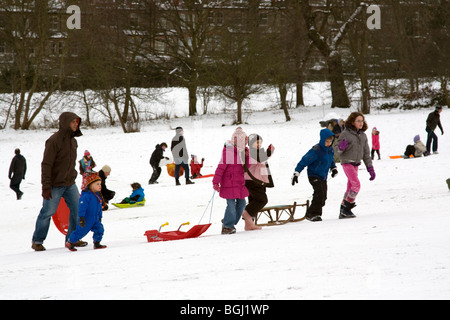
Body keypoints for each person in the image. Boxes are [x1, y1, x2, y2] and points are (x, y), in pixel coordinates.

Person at [31, 112, 86, 251]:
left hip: (69, 183)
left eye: (77, 122)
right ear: (65, 122)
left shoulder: (73, 141)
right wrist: (46, 186)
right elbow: (46, 164)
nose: (75, 124)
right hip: (55, 185)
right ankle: (37, 240)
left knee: (77, 210)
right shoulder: (54, 141)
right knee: (48, 212)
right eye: (73, 122)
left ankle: (71, 239)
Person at [334, 112, 375, 219]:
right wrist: (341, 148)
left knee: (350, 187)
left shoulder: (363, 136)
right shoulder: (345, 134)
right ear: (352, 122)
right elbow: (336, 152)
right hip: (347, 162)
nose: (361, 123)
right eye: (358, 121)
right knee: (356, 184)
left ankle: (343, 210)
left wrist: (370, 168)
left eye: (362, 121)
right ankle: (347, 208)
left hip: (356, 164)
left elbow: (366, 153)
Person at [292, 129, 338, 221]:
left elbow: (331, 160)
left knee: (323, 197)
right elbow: (304, 161)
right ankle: (313, 214)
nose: (329, 143)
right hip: (313, 175)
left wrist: (333, 168)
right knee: (319, 193)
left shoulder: (330, 150)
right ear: (322, 140)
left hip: (323, 176)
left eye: (330, 141)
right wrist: (296, 173)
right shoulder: (316, 151)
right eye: (327, 141)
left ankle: (311, 212)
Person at [212, 127, 250, 234]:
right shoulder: (228, 152)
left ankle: (228, 220)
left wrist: (247, 156)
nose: (245, 144)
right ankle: (227, 226)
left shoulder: (243, 152)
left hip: (239, 184)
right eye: (243, 142)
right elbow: (220, 168)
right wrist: (215, 182)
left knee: (242, 204)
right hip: (229, 183)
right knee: (231, 206)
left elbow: (247, 167)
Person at [66, 173, 107, 251]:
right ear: (91, 185)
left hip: (95, 218)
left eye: (100, 184)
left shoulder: (98, 196)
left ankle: (97, 242)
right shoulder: (86, 196)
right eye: (97, 184)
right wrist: (81, 217)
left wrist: (100, 217)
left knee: (99, 229)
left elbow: (99, 208)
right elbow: (82, 208)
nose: (100, 186)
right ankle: (70, 242)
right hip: (86, 219)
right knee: (81, 232)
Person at [243, 134, 275, 230]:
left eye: (260, 142)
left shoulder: (257, 152)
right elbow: (260, 160)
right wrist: (268, 153)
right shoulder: (250, 153)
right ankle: (245, 212)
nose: (259, 144)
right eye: (256, 142)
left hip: (256, 180)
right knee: (262, 200)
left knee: (253, 200)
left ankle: (249, 225)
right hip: (253, 181)